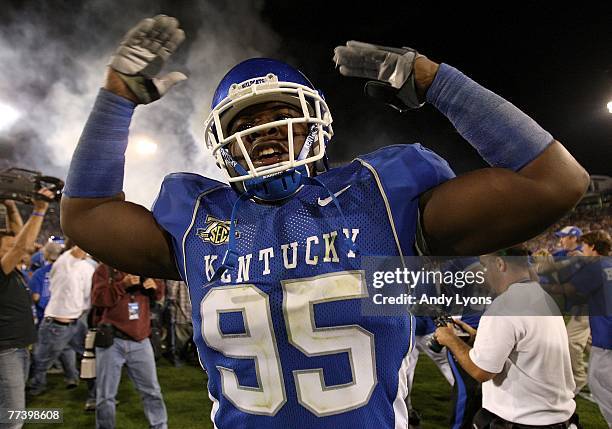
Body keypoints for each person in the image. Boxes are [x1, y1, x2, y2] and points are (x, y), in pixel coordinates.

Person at [60, 15, 588, 429]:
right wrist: (115, 100)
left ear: (316, 122)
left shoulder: (380, 194)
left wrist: (435, 81)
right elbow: (85, 216)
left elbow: (554, 182)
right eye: (246, 120)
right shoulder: (199, 215)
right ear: (221, 140)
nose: (264, 130)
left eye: (277, 113)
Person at [435, 246, 576, 428]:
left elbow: (482, 372)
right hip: (555, 417)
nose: (484, 274)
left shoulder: (504, 306)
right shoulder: (541, 296)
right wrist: (476, 336)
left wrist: (450, 339)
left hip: (525, 419)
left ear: (500, 264)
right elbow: (526, 345)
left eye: (485, 267)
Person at [547, 231, 612, 426]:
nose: (583, 250)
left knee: (597, 381)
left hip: (606, 335)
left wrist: (540, 286)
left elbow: (569, 289)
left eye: (585, 246)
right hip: (606, 331)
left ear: (592, 247)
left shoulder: (596, 266)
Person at [0, 191, 54, 429]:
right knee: (14, 417)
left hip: (17, 349)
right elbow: (22, 244)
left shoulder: (11, 271)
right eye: (8, 246)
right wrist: (39, 210)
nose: (16, 248)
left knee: (8, 409)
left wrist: (12, 209)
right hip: (6, 351)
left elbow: (19, 239)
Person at [91, 264, 167, 429]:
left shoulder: (146, 268)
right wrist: (122, 285)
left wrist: (155, 286)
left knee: (152, 392)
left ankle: (160, 426)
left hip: (141, 339)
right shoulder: (105, 269)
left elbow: (159, 293)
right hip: (112, 340)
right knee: (105, 396)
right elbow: (97, 299)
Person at [28, 244, 95, 395]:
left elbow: (87, 296)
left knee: (88, 358)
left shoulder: (87, 266)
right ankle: (36, 387)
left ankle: (94, 393)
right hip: (58, 323)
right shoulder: (64, 262)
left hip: (75, 321)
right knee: (43, 360)